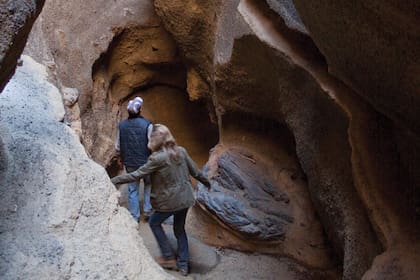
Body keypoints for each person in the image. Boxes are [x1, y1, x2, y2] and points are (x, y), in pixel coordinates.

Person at [111, 124, 211, 276]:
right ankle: (183, 265)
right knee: (180, 229)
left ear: (155, 140)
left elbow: (136, 175)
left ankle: (169, 257)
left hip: (168, 201)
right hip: (185, 199)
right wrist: (207, 183)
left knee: (154, 222)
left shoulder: (157, 158)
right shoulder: (181, 151)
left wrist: (114, 180)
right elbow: (196, 172)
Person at [115, 96, 153, 222]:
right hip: (146, 161)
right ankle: (147, 210)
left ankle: (134, 216)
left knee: (132, 189)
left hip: (130, 162)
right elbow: (151, 144)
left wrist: (120, 158)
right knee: (149, 184)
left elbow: (118, 146)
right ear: (140, 109)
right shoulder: (147, 124)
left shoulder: (122, 125)